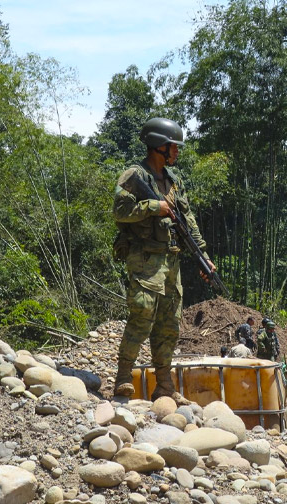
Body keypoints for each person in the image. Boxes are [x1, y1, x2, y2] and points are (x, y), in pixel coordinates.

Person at [112, 117, 214, 403]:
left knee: (170, 323)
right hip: (145, 258)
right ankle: (122, 377)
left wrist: (203, 256)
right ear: (160, 146)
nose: (177, 152)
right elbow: (120, 211)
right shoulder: (135, 175)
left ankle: (164, 385)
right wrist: (153, 206)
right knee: (142, 316)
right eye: (174, 147)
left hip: (171, 261)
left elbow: (188, 220)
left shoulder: (173, 181)